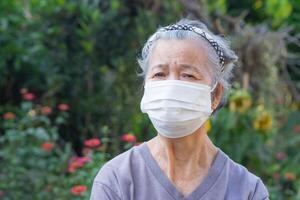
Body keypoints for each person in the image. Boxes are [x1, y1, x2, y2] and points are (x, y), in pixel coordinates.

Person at [90, 18, 269, 200]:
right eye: (159, 74)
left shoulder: (247, 190)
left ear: (215, 95)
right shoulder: (116, 181)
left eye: (188, 75)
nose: (171, 86)